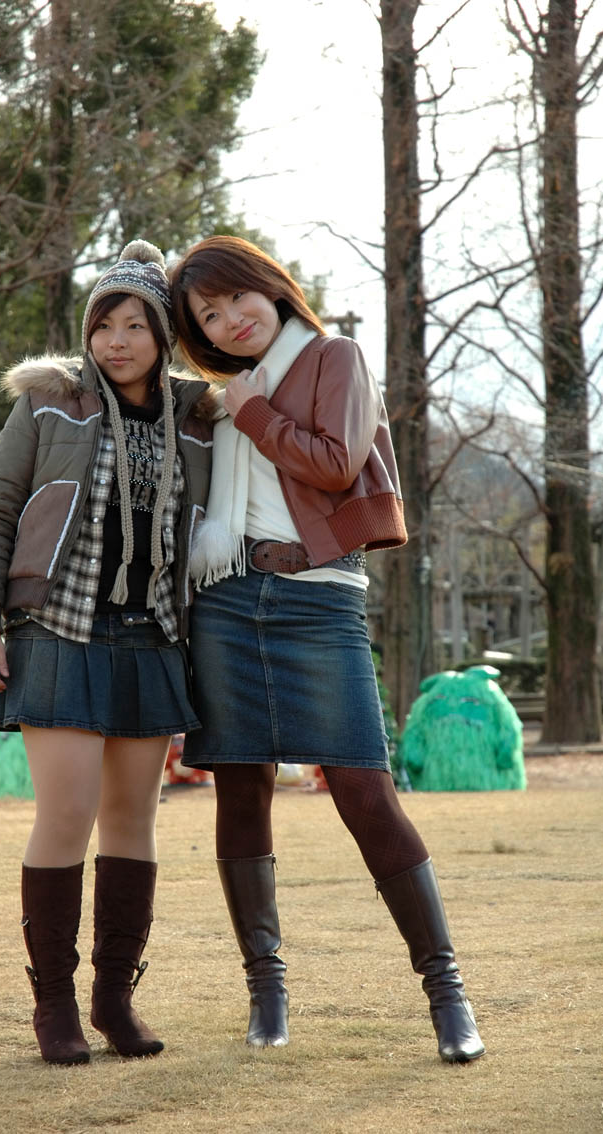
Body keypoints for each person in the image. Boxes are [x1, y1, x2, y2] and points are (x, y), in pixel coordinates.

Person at [168, 234, 485, 1064]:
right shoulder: (220, 398)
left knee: (362, 789)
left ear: (271, 287)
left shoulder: (331, 357)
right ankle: (266, 993)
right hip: (226, 600)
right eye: (208, 315)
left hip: (318, 599)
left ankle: (447, 994)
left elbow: (339, 464)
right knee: (241, 792)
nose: (230, 320)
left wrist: (251, 411)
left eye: (237, 298)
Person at [0, 241, 212, 1065]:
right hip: (57, 631)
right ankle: (55, 1007)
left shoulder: (198, 416)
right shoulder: (50, 403)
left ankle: (114, 1001)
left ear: (163, 336)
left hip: (151, 637)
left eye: (135, 325)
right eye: (103, 324)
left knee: (134, 820)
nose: (116, 341)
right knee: (66, 816)